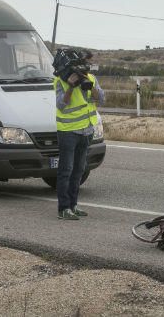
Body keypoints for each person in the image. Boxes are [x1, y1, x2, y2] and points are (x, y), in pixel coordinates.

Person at [54, 71, 105, 220]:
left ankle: (73, 205)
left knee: (78, 171)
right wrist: (70, 87)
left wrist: (91, 88)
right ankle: (63, 208)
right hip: (68, 131)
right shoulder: (61, 80)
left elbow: (101, 100)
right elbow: (61, 105)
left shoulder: (91, 78)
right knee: (66, 170)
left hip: (87, 130)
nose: (85, 68)